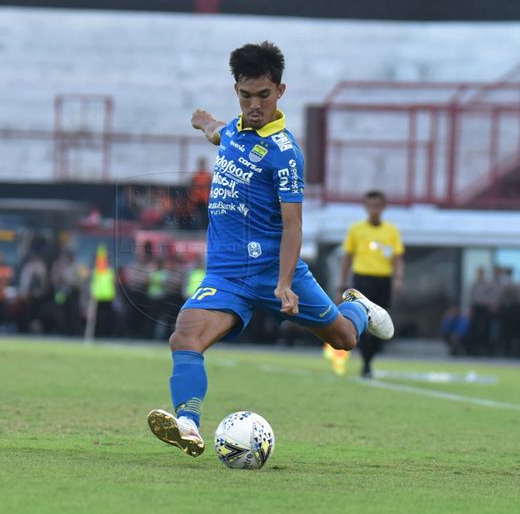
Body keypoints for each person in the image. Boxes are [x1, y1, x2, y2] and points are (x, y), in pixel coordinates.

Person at [147, 42, 394, 457]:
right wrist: (204, 121)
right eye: (246, 95)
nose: (255, 104)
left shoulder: (285, 153)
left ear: (281, 90)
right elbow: (218, 133)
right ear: (236, 91)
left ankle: (357, 307)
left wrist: (283, 283)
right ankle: (188, 424)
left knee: (344, 340)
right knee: (184, 337)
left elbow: (294, 224)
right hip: (226, 275)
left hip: (277, 273)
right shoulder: (233, 133)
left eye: (264, 95)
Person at [338, 190, 404, 378]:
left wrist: (398, 278)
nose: (374, 209)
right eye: (370, 205)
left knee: (382, 322)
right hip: (362, 279)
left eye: (377, 205)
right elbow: (347, 257)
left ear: (383, 207)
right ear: (365, 207)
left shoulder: (391, 231)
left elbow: (398, 257)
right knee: (363, 322)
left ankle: (371, 357)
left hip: (383, 280)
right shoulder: (356, 229)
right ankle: (366, 362)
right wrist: (341, 282)